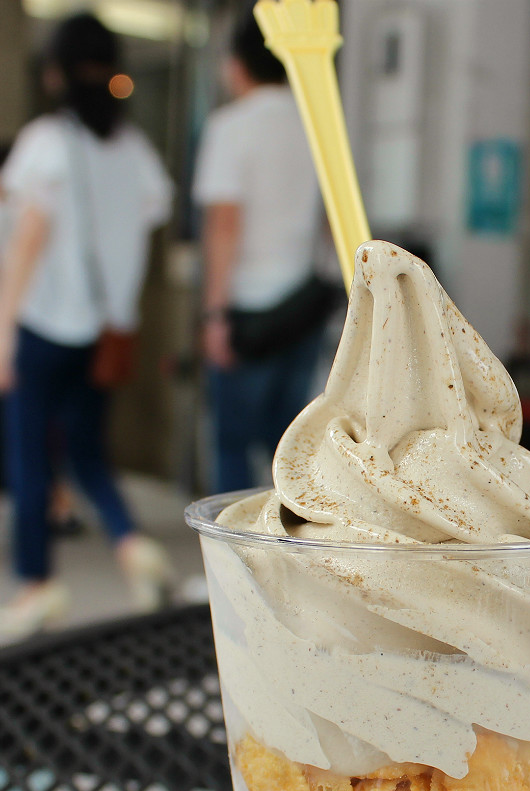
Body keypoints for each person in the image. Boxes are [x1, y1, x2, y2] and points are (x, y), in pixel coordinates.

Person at [0, 13, 174, 641]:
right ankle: (131, 545)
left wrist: (3, 331)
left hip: (46, 325)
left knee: (28, 457)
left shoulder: (45, 143)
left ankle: (37, 585)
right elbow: (153, 212)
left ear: (55, 74)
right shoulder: (136, 150)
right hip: (106, 331)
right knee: (86, 452)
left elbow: (26, 244)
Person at [193, 9, 326, 493]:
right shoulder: (315, 123)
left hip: (248, 311)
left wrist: (214, 314)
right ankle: (286, 559)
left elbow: (224, 224)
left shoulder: (231, 126)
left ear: (238, 63)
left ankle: (233, 565)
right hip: (302, 307)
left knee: (231, 445)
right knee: (288, 451)